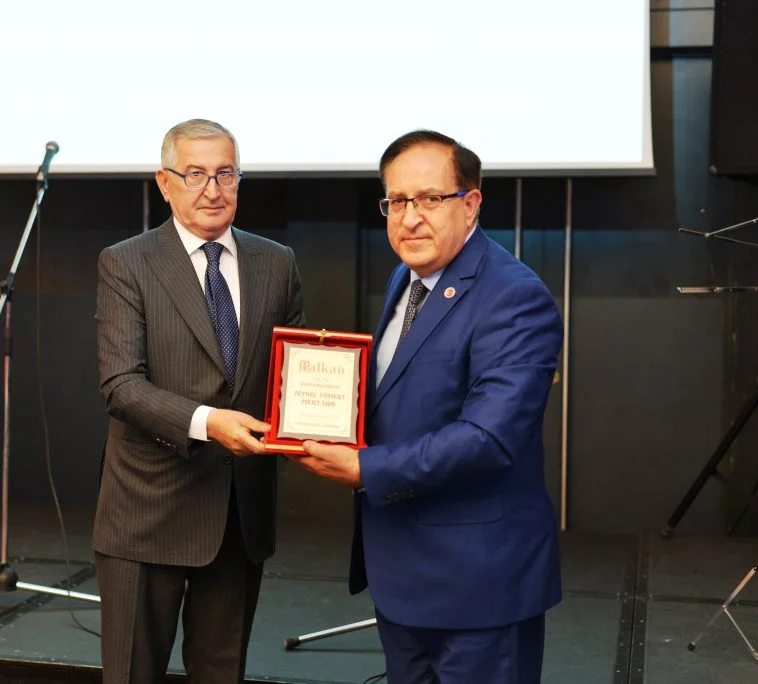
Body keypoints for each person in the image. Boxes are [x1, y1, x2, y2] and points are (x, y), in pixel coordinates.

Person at [287, 130, 563, 683]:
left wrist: (365, 468)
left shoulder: (514, 296)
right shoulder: (408, 277)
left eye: (430, 199)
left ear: (471, 203)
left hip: (478, 587)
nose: (410, 218)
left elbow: (489, 439)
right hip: (403, 577)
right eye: (397, 201)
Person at [93, 118, 305, 684]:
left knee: (222, 674)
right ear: (164, 183)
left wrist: (321, 419)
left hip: (239, 513)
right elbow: (120, 385)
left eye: (225, 174)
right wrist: (209, 423)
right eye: (195, 175)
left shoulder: (276, 261)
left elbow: (294, 372)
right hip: (147, 511)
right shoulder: (126, 262)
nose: (213, 190)